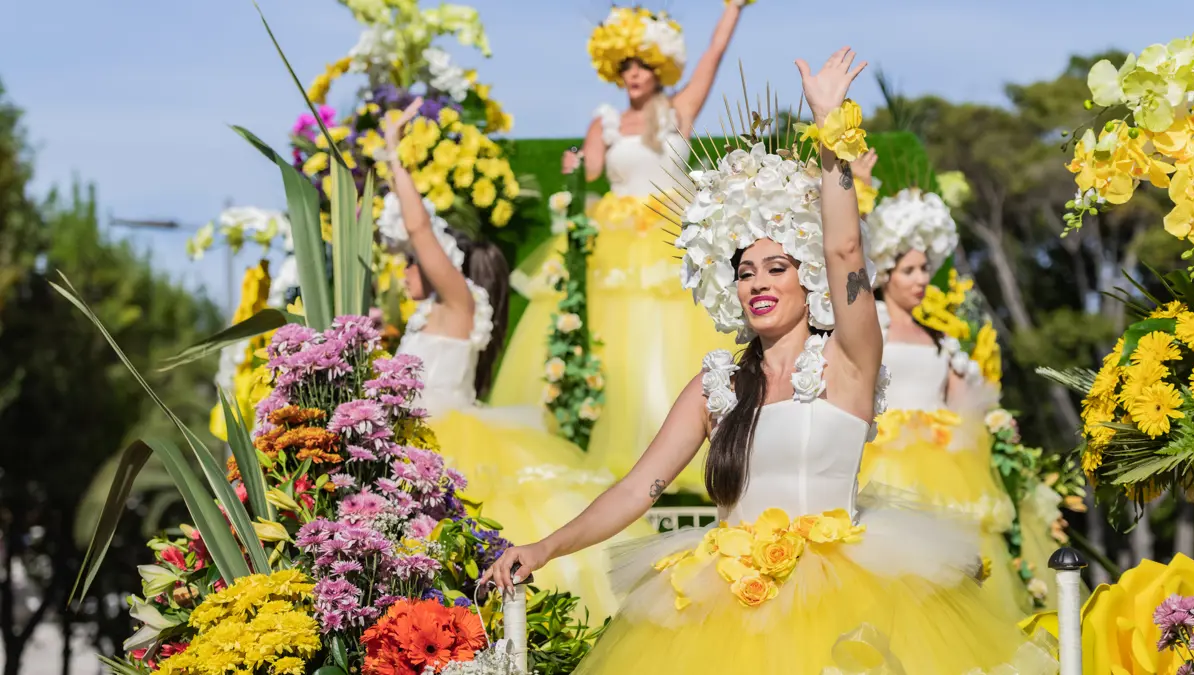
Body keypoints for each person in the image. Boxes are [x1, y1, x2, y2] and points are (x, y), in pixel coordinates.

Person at [481, 49, 1056, 674]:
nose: (757, 282)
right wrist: (545, 546)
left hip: (846, 603)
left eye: (776, 268)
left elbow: (843, 248)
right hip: (724, 609)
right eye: (745, 271)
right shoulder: (716, 386)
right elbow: (636, 489)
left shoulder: (850, 361)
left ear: (806, 277)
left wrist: (830, 125)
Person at [380, 98, 652, 620]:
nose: (407, 271)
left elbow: (419, 230)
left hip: (450, 442)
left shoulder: (459, 304)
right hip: (413, 441)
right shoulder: (423, 316)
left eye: (415, 263)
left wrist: (396, 157)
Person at [490, 2, 751, 493]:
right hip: (612, 236)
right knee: (610, 339)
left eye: (643, 65)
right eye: (626, 66)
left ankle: (683, 445)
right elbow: (586, 171)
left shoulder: (679, 110)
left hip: (669, 234)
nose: (634, 74)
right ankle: (608, 451)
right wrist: (572, 162)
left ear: (659, 69)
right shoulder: (605, 120)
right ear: (616, 72)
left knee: (668, 334)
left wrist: (732, 10)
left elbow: (714, 56)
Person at [859, 171, 1062, 611]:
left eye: (924, 269)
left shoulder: (941, 340)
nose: (919, 279)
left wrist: (991, 425)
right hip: (885, 457)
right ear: (886, 274)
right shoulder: (871, 327)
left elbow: (965, 402)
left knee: (961, 556)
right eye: (908, 270)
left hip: (946, 460)